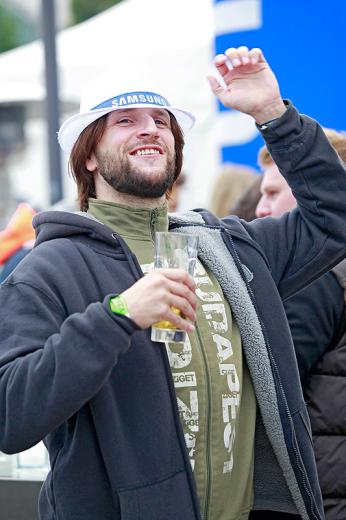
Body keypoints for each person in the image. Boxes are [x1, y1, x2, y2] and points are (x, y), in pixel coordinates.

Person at [0, 46, 345, 520]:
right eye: (125, 120)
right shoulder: (49, 269)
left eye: (161, 121)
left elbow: (335, 217)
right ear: (89, 159)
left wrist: (272, 113)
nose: (149, 128)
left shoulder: (230, 248)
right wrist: (118, 316)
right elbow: (10, 416)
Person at [255, 129, 346, 519]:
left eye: (273, 193)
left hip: (320, 497)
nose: (260, 208)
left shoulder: (318, 279)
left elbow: (266, 391)